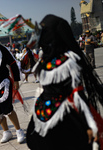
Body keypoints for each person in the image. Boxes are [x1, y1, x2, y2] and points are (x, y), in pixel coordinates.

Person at [26, 14, 103, 150]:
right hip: (56, 115)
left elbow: (77, 94)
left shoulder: (58, 61)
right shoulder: (52, 60)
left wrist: (89, 123)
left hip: (50, 113)